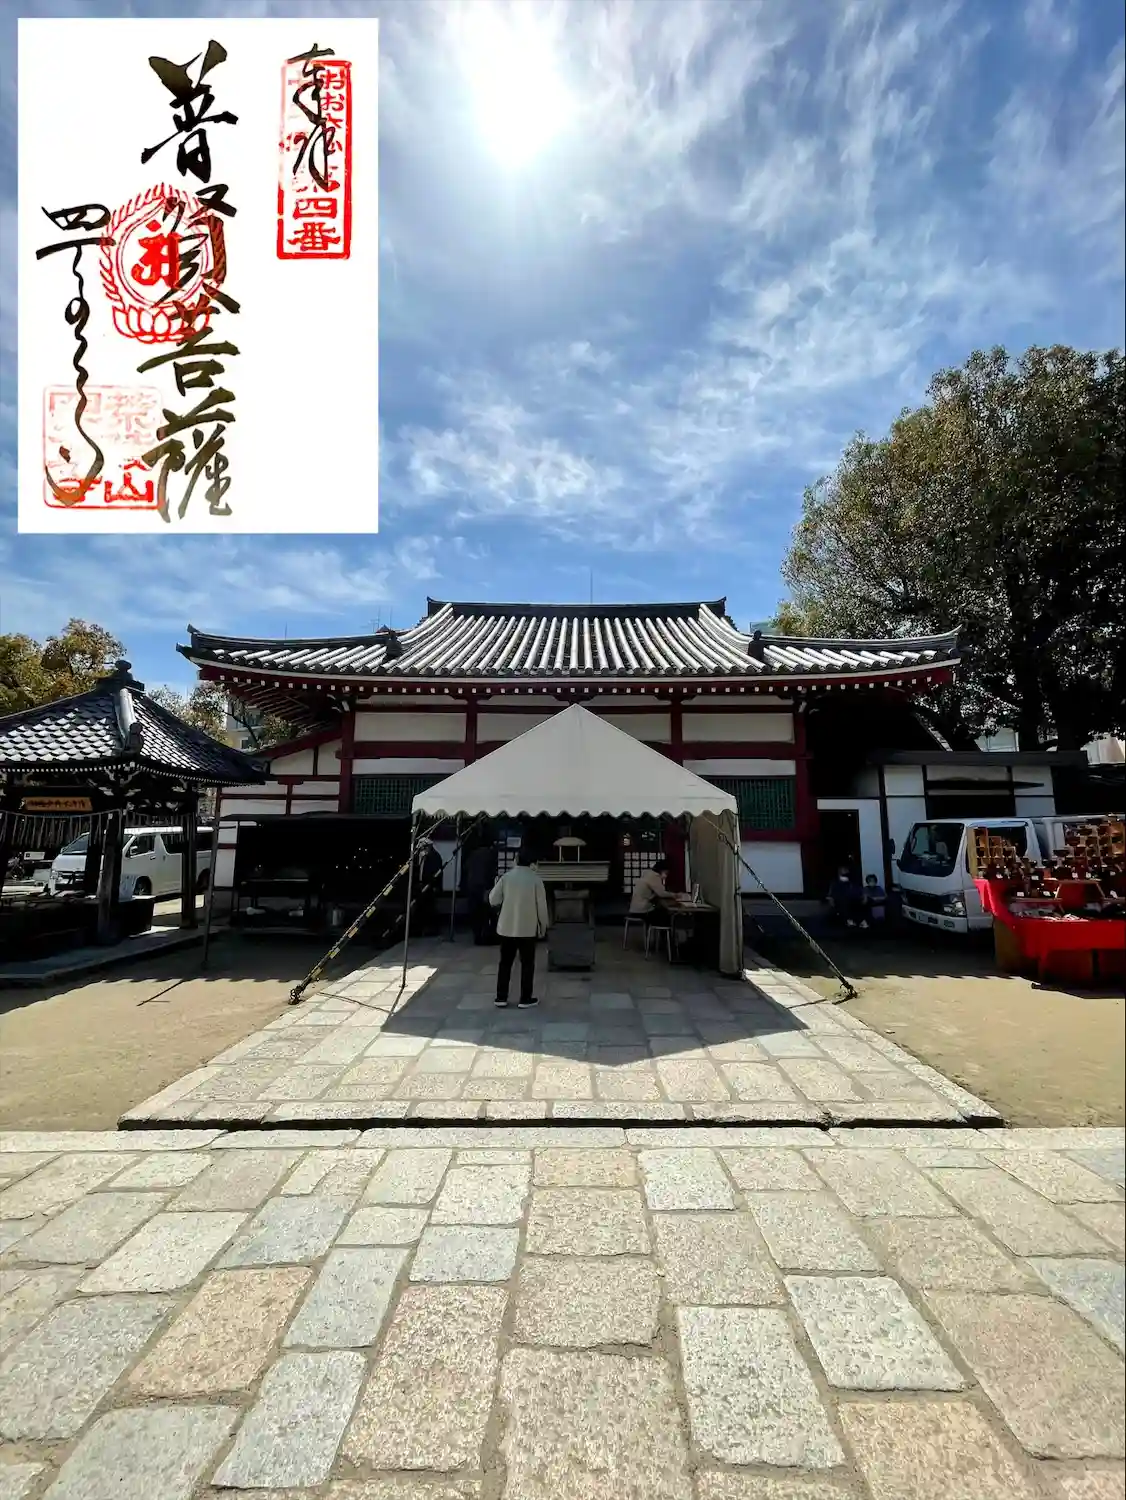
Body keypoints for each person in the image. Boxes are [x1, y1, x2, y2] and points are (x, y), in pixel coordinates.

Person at [488, 848, 550, 1008]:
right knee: (527, 964)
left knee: (505, 963)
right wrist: (543, 926)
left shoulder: (506, 877)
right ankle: (525, 998)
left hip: (506, 928)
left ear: (516, 860)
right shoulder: (536, 880)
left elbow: (493, 899)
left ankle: (501, 997)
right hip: (527, 929)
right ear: (532, 863)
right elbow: (542, 907)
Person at [465, 838, 499, 945]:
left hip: (472, 886)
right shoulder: (491, 854)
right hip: (484, 887)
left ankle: (477, 937)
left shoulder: (473, 854)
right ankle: (488, 936)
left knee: (475, 913)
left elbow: (466, 867)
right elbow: (493, 871)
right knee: (487, 912)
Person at [412, 837, 443, 937]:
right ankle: (419, 929)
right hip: (420, 884)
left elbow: (437, 873)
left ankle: (432, 929)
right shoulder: (419, 856)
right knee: (419, 907)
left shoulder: (435, 857)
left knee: (430, 908)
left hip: (430, 885)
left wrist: (435, 886)